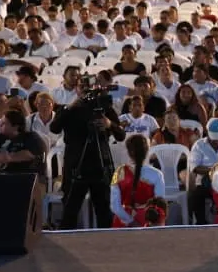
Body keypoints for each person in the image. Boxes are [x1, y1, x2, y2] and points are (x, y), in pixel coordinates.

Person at [50, 85, 126, 228]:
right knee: (70, 211)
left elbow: (121, 135)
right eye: (83, 91)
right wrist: (71, 107)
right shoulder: (68, 109)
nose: (86, 96)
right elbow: (54, 128)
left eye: (88, 92)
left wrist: (109, 124)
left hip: (100, 165)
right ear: (77, 91)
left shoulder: (103, 109)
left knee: (104, 211)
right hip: (76, 165)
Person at [109, 134, 167, 228]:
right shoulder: (157, 174)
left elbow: (114, 206)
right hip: (148, 221)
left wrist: (130, 220)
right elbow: (160, 206)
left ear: (128, 152)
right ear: (147, 151)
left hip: (122, 223)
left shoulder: (119, 172)